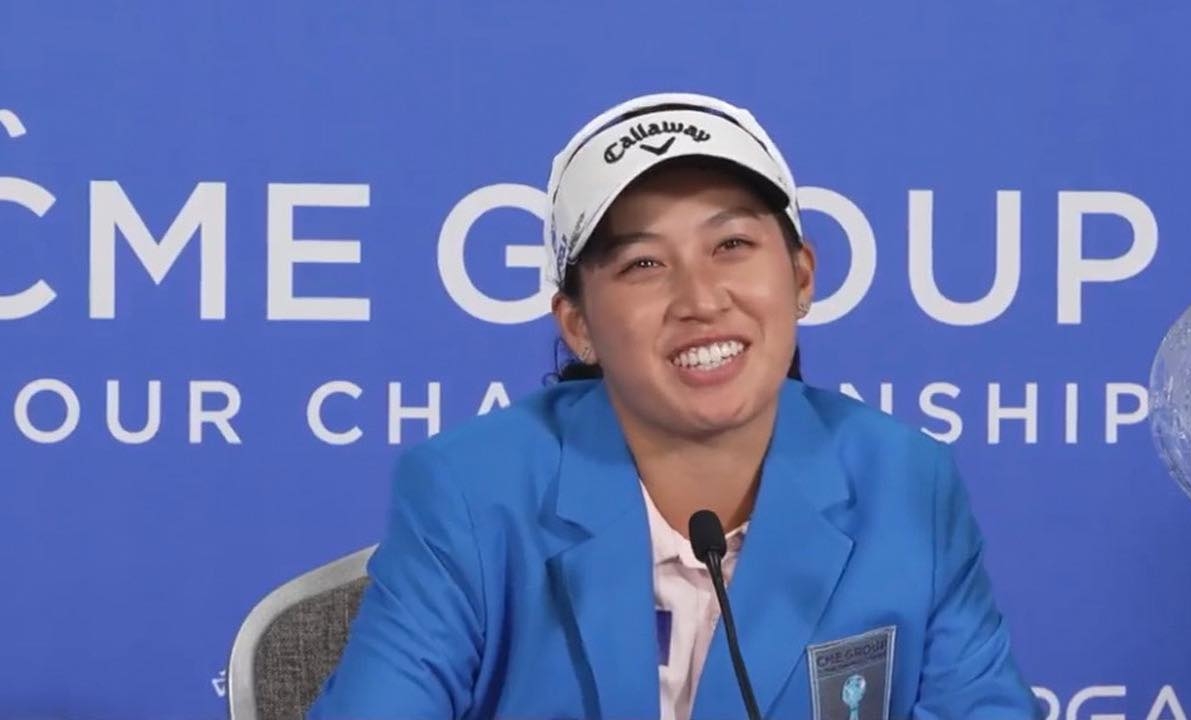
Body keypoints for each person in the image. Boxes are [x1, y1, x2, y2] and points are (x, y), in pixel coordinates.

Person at [309, 92, 1039, 720]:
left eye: (732, 244)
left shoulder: (907, 483)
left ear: (801, 276)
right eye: (644, 264)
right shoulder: (470, 491)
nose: (700, 299)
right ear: (578, 325)